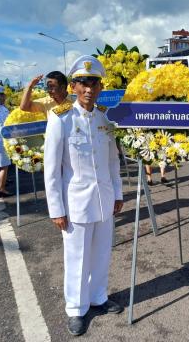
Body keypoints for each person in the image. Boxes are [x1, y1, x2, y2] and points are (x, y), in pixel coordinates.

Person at [44, 55, 124, 336]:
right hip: (75, 201)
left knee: (102, 253)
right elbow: (52, 168)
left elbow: (113, 160)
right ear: (73, 87)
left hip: (103, 199)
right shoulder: (61, 118)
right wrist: (56, 208)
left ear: (100, 87)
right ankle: (76, 308)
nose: (88, 88)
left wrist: (117, 192)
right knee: (77, 256)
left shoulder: (105, 117)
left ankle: (98, 297)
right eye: (82, 83)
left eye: (94, 83)